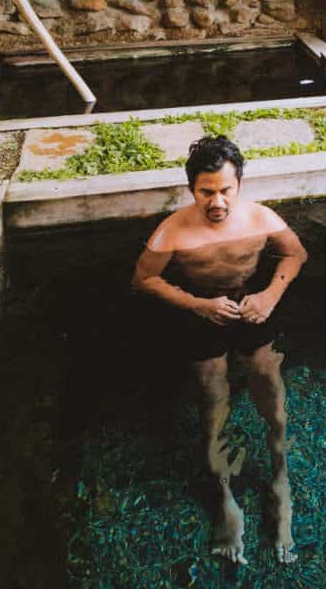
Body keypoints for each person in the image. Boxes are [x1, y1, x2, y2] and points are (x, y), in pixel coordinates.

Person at [131, 134, 307, 565]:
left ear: (239, 185)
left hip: (249, 303)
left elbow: (295, 254)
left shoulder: (262, 218)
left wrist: (269, 296)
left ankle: (281, 478)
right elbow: (143, 280)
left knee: (269, 382)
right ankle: (225, 495)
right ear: (192, 188)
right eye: (206, 192)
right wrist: (197, 305)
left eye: (225, 190)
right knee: (213, 394)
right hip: (200, 308)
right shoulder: (172, 231)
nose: (217, 202)